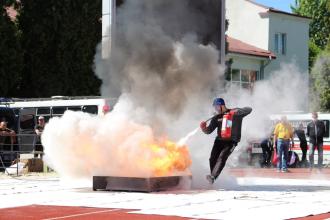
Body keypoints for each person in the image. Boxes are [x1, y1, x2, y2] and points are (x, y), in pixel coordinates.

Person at [200, 98, 252, 184]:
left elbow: (249, 109)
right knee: (212, 158)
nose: (216, 109)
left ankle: (213, 177)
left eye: (217, 107)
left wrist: (235, 112)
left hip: (231, 141)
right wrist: (204, 128)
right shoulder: (216, 117)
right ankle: (212, 177)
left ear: (222, 105)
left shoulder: (235, 112)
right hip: (219, 141)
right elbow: (209, 131)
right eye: (215, 107)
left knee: (222, 157)